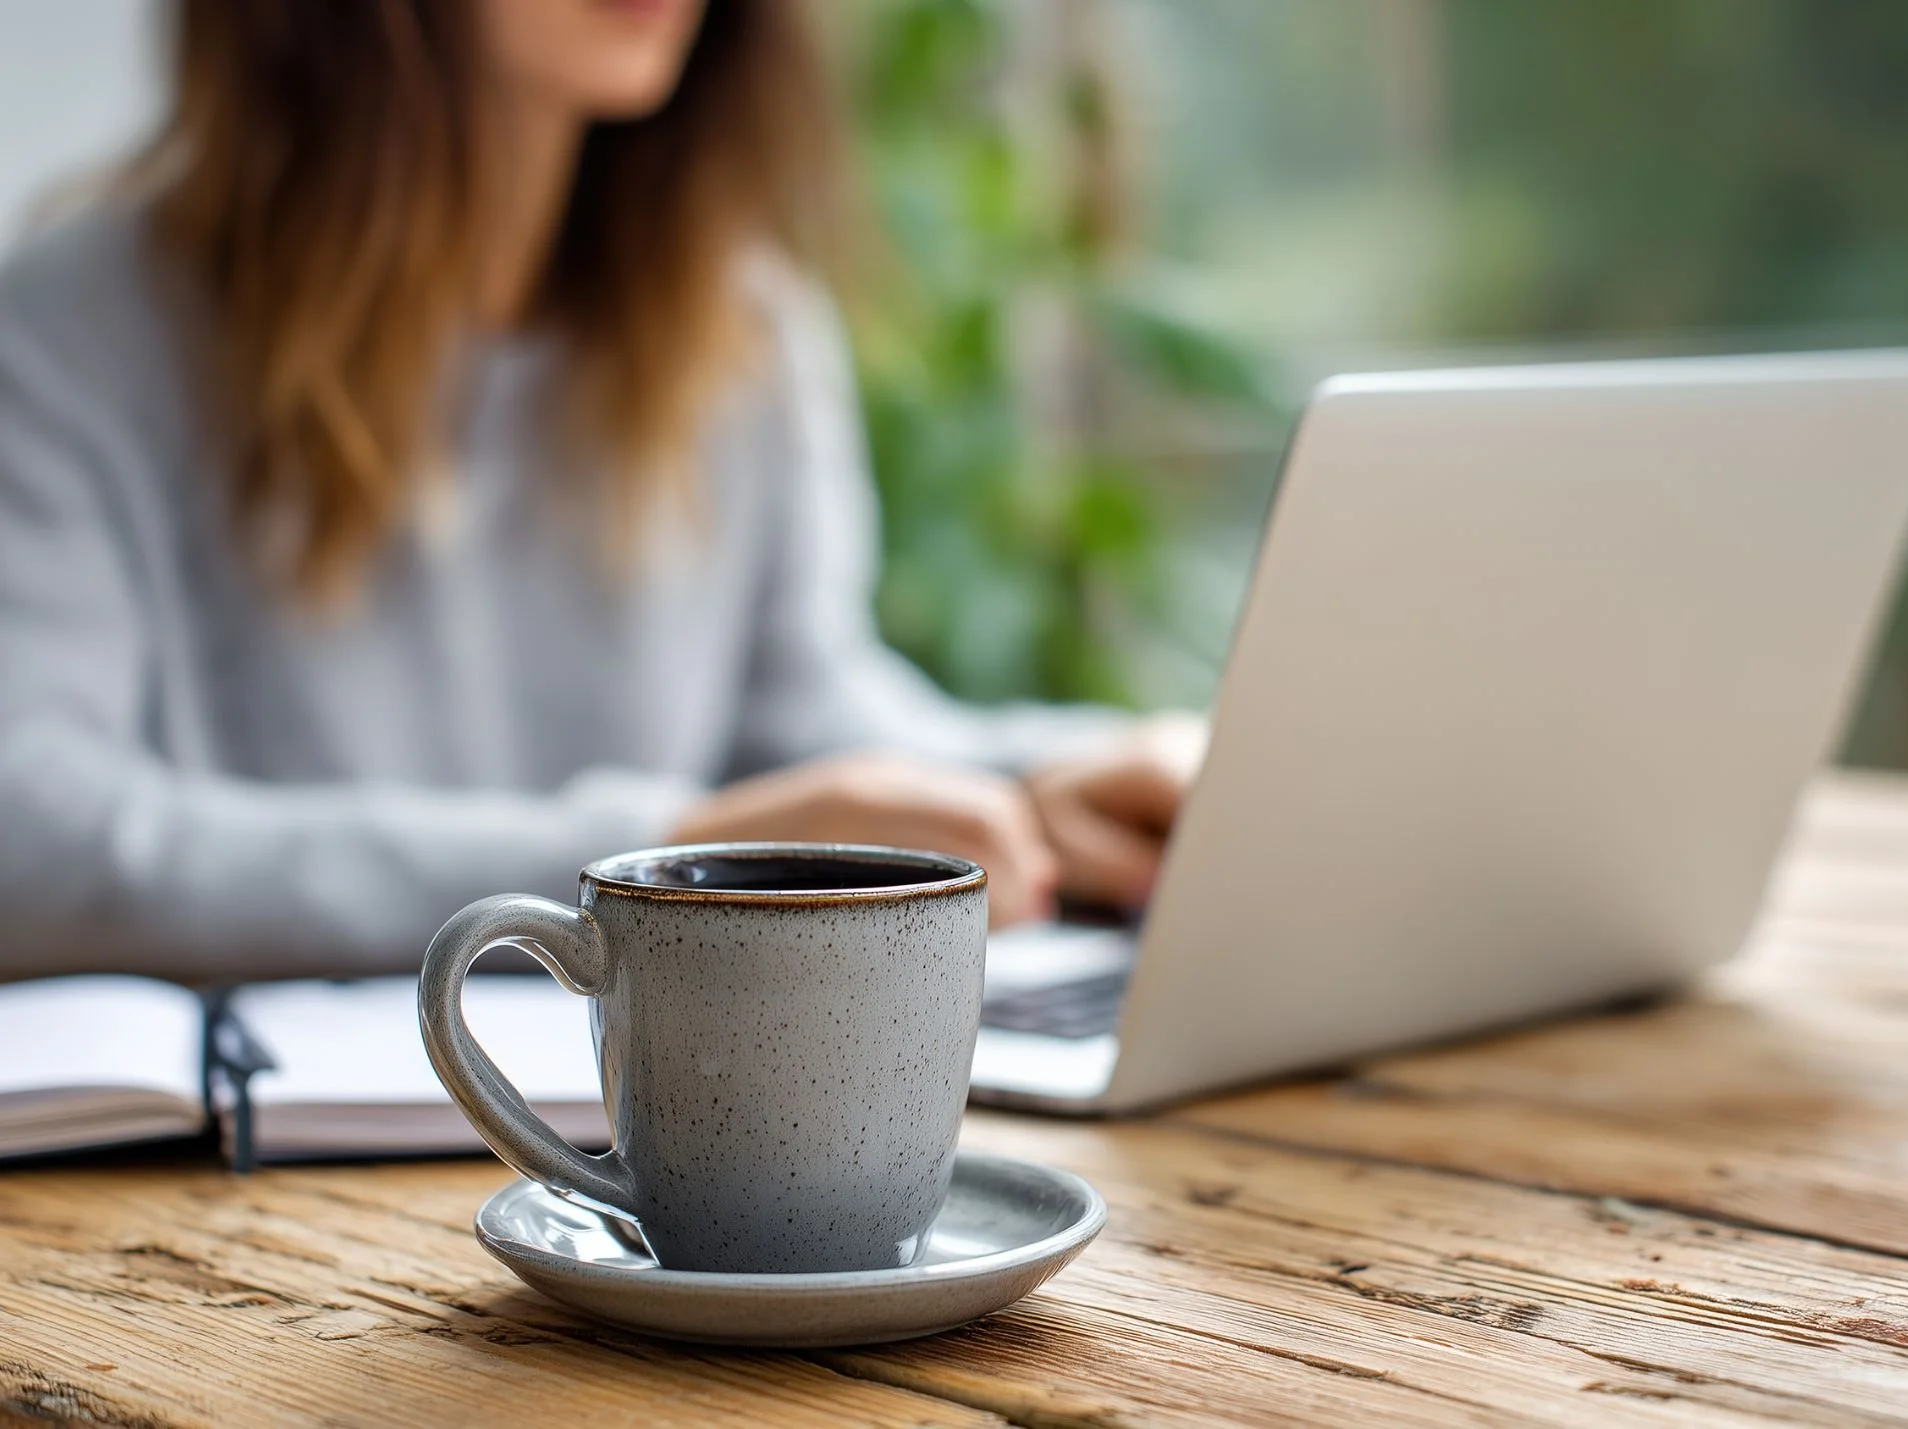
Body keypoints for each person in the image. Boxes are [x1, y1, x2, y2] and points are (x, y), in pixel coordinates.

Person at [0, 0, 1203, 983]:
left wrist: (1040, 793)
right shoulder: (67, 337)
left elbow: (803, 726)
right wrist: (651, 864)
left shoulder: (741, 327)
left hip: (662, 1142)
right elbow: (32, 842)